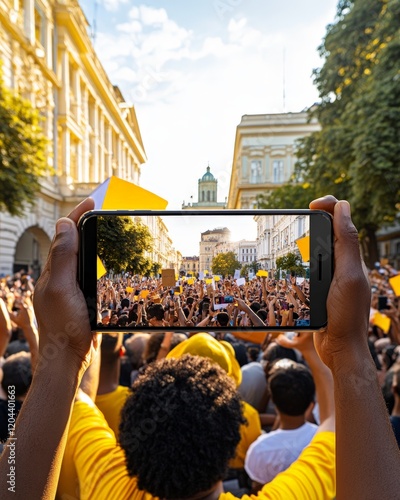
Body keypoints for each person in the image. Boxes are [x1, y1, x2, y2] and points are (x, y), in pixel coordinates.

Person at [1, 195, 400, 500]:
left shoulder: (108, 480)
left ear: (125, 443)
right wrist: (345, 352)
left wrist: (62, 355)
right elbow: (333, 428)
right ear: (236, 445)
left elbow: (68, 414)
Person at [244, 331, 334, 489]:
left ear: (273, 402)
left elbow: (257, 490)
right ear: (311, 404)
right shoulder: (324, 440)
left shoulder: (260, 449)